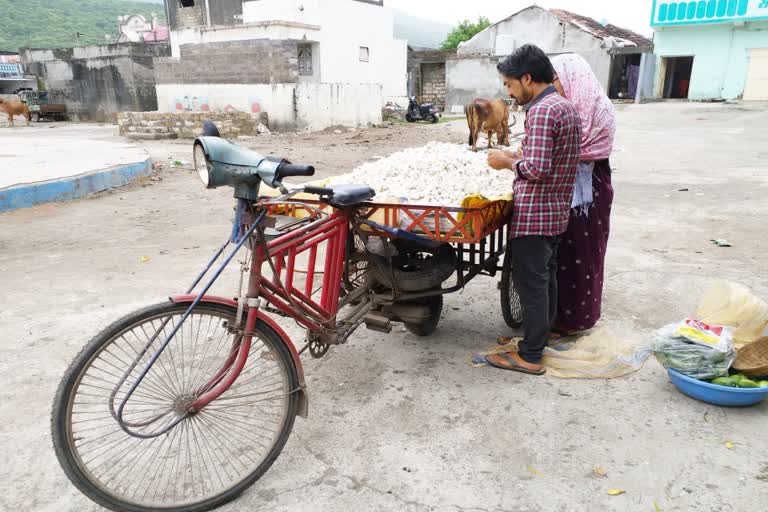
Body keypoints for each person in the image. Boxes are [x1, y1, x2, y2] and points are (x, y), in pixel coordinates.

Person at [485, 45, 582, 376]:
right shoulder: (565, 106)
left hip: (536, 215)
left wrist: (505, 162)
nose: (509, 92)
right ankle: (542, 336)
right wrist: (518, 154)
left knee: (532, 284)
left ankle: (530, 355)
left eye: (510, 84)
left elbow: (538, 169)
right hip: (556, 212)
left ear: (527, 78)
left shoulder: (541, 111)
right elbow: (552, 160)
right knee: (547, 278)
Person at [549, 53, 616, 336]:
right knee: (565, 254)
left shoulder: (591, 110)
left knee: (581, 254)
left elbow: (576, 149)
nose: (554, 87)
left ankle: (572, 321)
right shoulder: (572, 107)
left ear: (570, 79)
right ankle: (558, 316)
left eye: (555, 80)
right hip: (578, 186)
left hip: (588, 193)